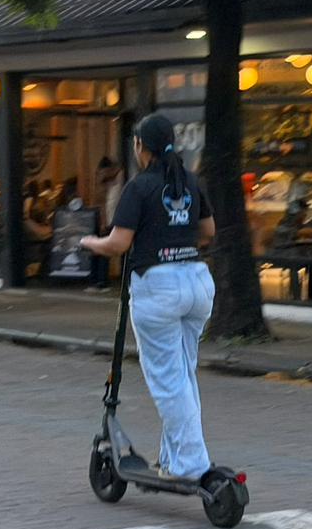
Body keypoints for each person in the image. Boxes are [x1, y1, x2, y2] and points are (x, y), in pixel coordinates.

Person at [80, 112, 217, 481]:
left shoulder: (139, 187)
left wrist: (91, 242)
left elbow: (119, 243)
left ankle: (192, 463)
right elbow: (207, 230)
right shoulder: (189, 180)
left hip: (159, 288)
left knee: (170, 383)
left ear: (141, 147)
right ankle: (173, 460)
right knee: (183, 376)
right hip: (197, 283)